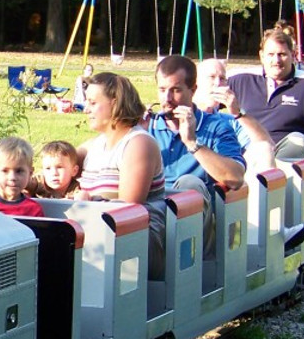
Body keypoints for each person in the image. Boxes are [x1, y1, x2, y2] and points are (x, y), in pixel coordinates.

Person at [147, 56, 246, 256]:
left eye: (175, 90)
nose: (167, 99)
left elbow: (236, 178)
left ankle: (186, 272)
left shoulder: (216, 126)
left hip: (200, 227)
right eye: (162, 90)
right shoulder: (146, 128)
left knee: (189, 185)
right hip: (155, 218)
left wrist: (192, 143)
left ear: (193, 90)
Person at [72, 72, 166, 275]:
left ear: (115, 104)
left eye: (92, 102)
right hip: (97, 230)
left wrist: (88, 200)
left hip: (135, 236)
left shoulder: (139, 144)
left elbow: (128, 208)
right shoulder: (94, 146)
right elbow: (60, 167)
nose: (85, 109)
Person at [227, 28, 304, 162]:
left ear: (293, 55)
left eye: (282, 54)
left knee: (297, 141)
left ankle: (277, 179)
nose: (276, 60)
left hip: (290, 152)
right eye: (270, 54)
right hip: (247, 151)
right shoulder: (240, 79)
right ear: (261, 56)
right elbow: (205, 98)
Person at [194, 58, 277, 173]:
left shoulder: (230, 121)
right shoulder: (182, 117)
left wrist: (238, 113)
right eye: (211, 77)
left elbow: (268, 146)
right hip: (192, 182)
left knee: (264, 149)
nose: (218, 83)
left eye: (222, 78)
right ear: (195, 83)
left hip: (229, 182)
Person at [0, 137, 44, 217]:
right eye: (5, 171)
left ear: (30, 173)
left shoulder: (33, 210)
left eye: (19, 171)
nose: (12, 177)